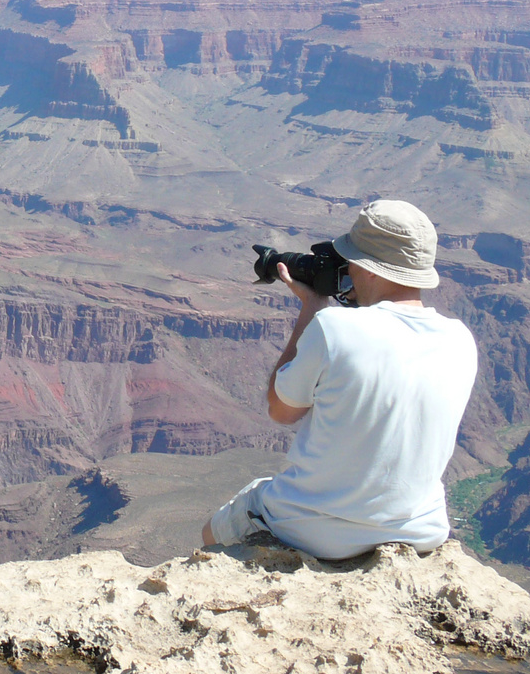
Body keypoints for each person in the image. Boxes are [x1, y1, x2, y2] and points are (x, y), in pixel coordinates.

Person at [201, 199, 478, 559]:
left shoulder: (336, 328)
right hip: (418, 531)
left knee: (214, 531)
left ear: (373, 269)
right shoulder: (460, 339)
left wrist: (312, 309)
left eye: (352, 261)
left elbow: (282, 411)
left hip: (313, 532)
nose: (348, 269)